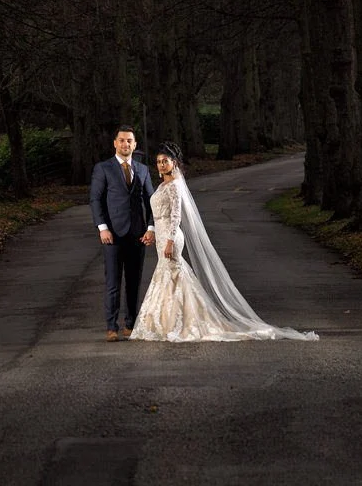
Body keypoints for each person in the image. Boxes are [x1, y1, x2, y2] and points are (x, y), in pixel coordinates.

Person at [130, 144, 317, 342]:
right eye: (159, 162)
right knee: (169, 276)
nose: (161, 165)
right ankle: (169, 320)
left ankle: (181, 321)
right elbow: (158, 215)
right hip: (160, 236)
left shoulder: (175, 185)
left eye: (165, 161)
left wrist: (169, 240)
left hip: (171, 236)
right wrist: (151, 233)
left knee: (172, 274)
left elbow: (176, 215)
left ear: (173, 163)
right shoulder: (162, 185)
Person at [88, 126, 154, 340]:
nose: (126, 144)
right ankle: (111, 327)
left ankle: (131, 324)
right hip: (112, 235)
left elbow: (151, 201)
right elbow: (96, 199)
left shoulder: (142, 170)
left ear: (135, 145)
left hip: (137, 234)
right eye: (122, 140)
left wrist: (151, 228)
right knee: (113, 282)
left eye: (130, 141)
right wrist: (102, 227)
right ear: (115, 143)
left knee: (134, 282)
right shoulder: (103, 168)